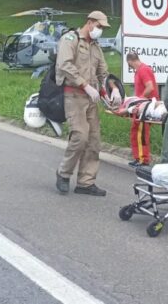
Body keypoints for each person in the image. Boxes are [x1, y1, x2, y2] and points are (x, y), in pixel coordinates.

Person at [54, 11, 119, 197]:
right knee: (80, 136)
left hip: (92, 98)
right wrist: (85, 85)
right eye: (99, 27)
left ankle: (85, 182)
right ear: (89, 23)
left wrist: (112, 88)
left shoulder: (96, 47)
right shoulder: (70, 39)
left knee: (93, 140)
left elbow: (103, 72)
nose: (100, 31)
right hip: (74, 95)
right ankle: (63, 173)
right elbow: (64, 65)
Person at [125, 52, 158, 167]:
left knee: (141, 133)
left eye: (129, 65)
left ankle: (143, 159)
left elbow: (150, 87)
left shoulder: (143, 70)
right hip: (142, 106)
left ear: (130, 61)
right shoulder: (140, 71)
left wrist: (140, 101)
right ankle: (138, 157)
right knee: (136, 132)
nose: (130, 67)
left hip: (145, 106)